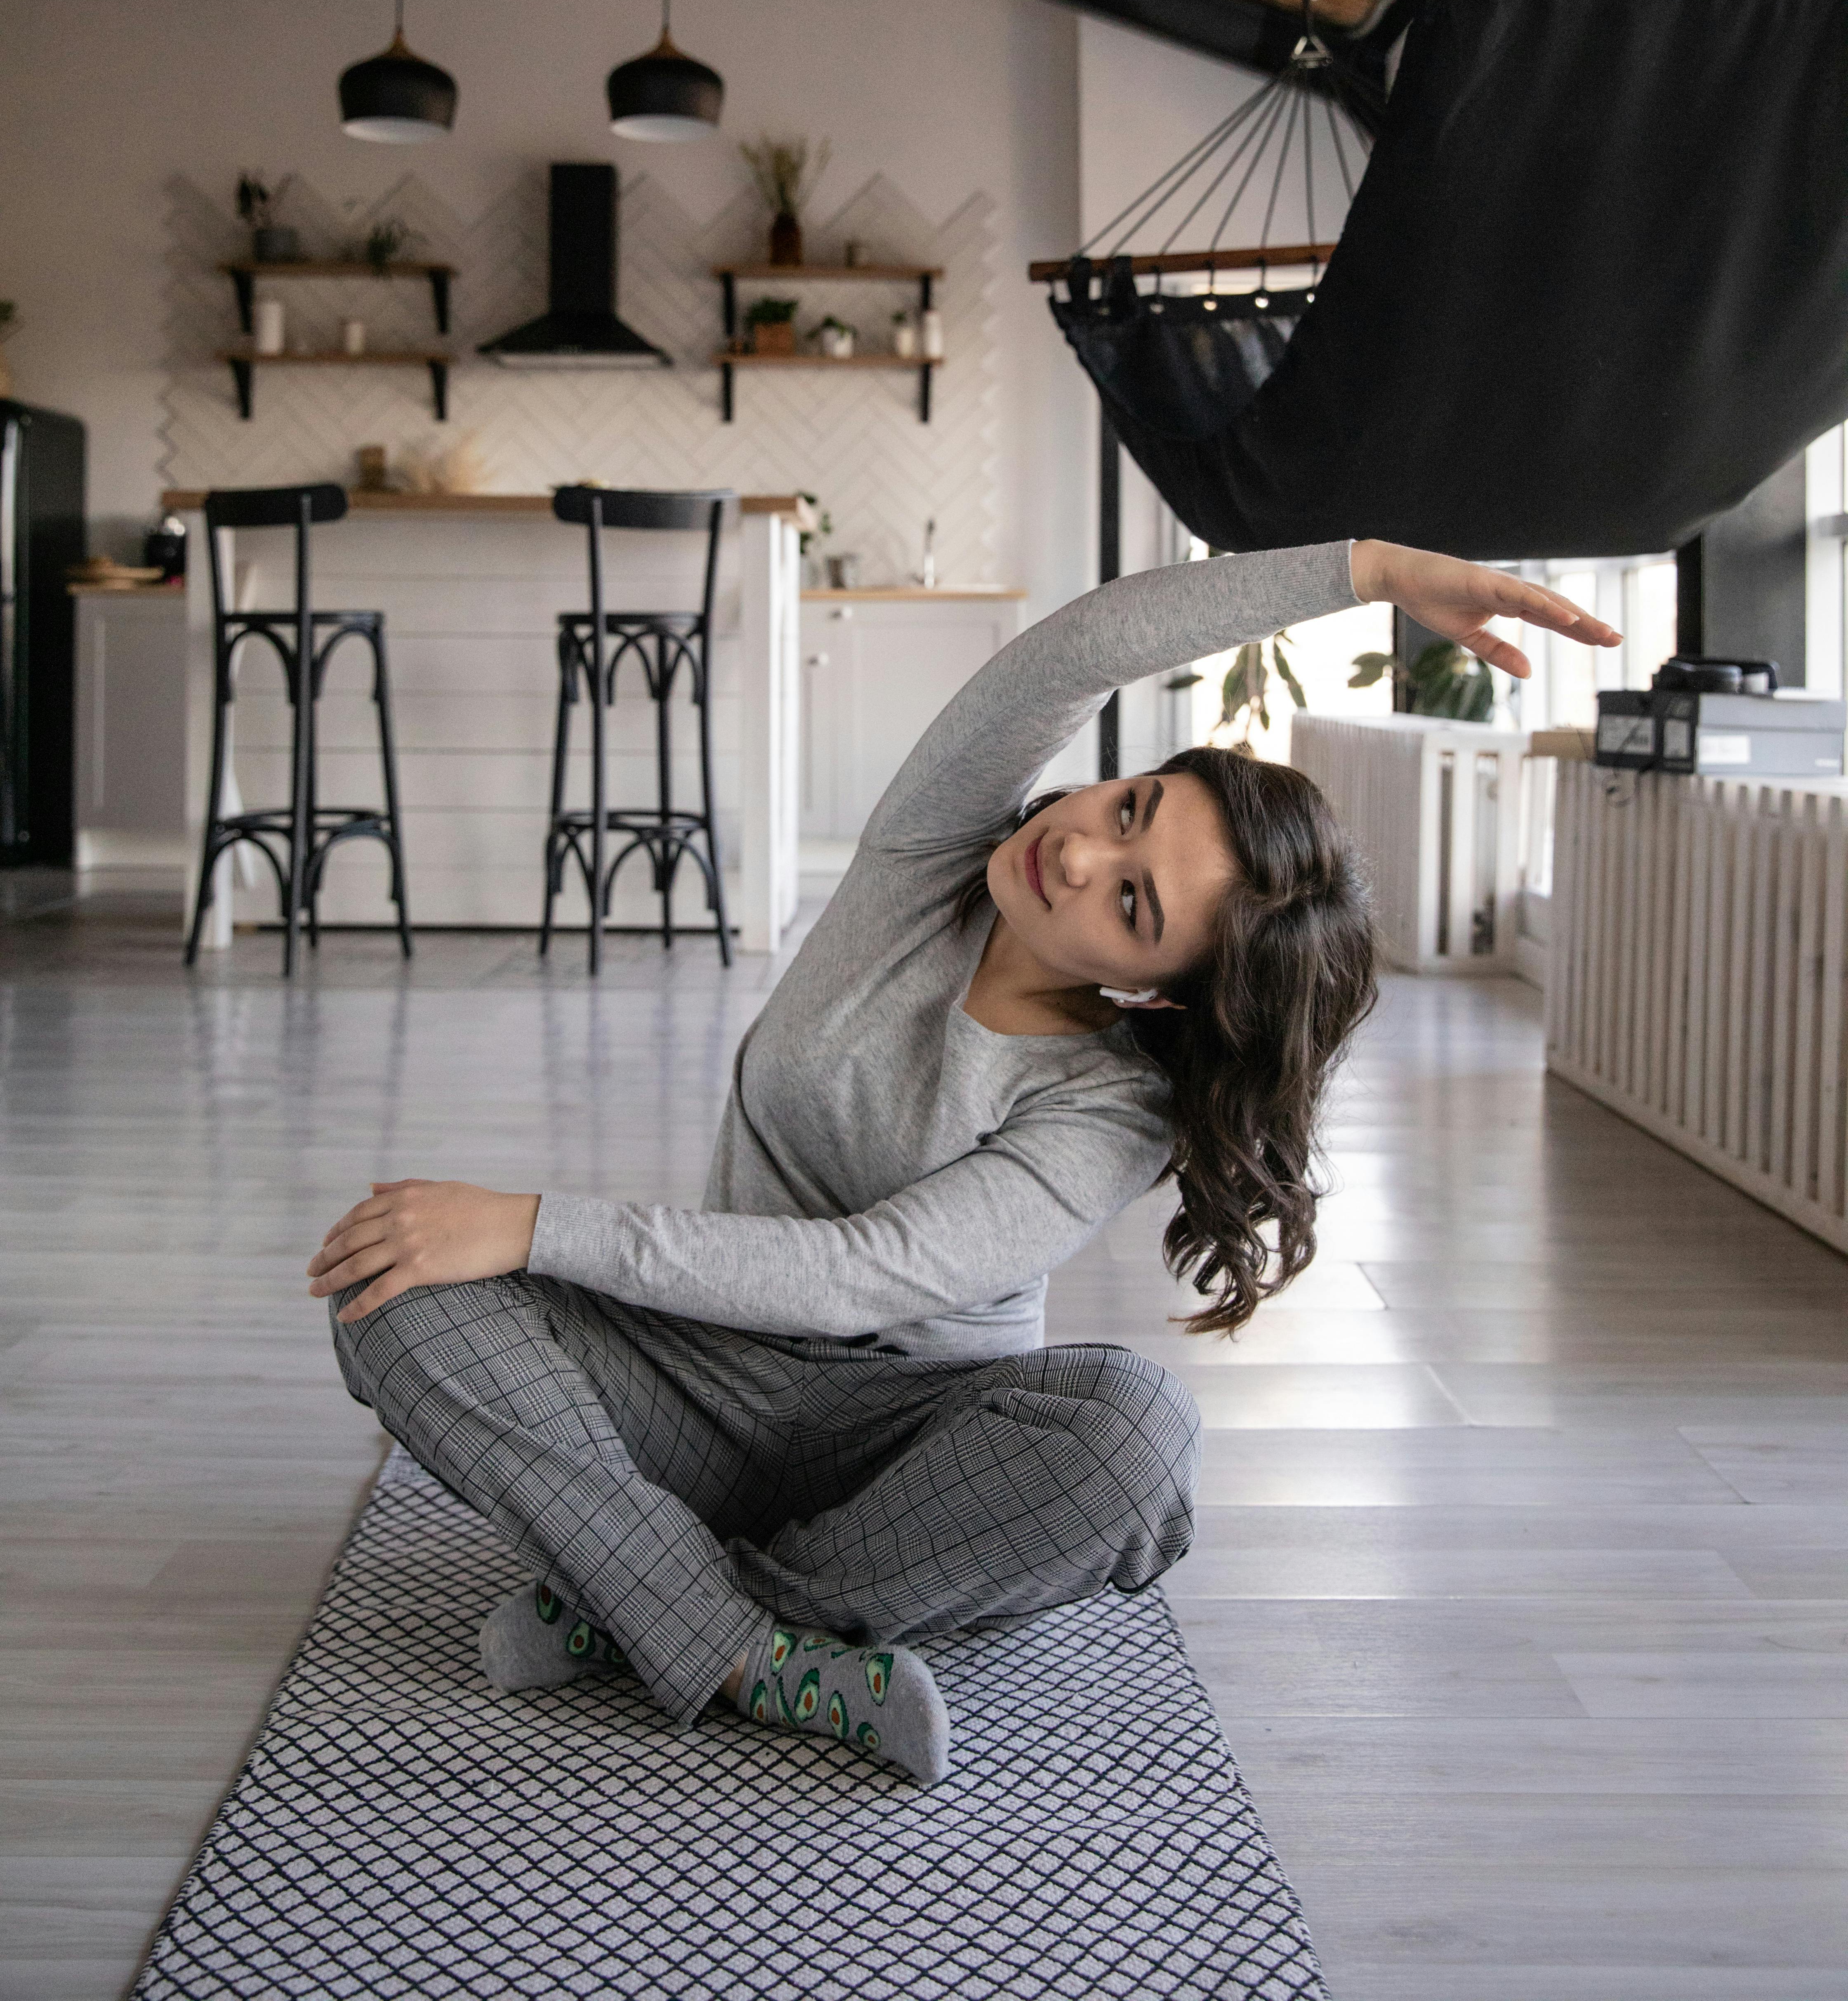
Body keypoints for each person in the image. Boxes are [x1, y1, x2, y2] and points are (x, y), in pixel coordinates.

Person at [311, 537, 1613, 1785]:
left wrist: (535, 1223)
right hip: (695, 1376)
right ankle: (744, 1653)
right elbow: (1071, 655)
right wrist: (1368, 574)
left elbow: (860, 1278)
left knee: (1134, 1437)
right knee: (397, 1287)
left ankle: (664, 1602)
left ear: (1157, 993)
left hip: (903, 1447)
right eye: (1132, 806)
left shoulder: (1111, 1105)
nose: (1082, 851)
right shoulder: (928, 864)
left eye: (1134, 904)